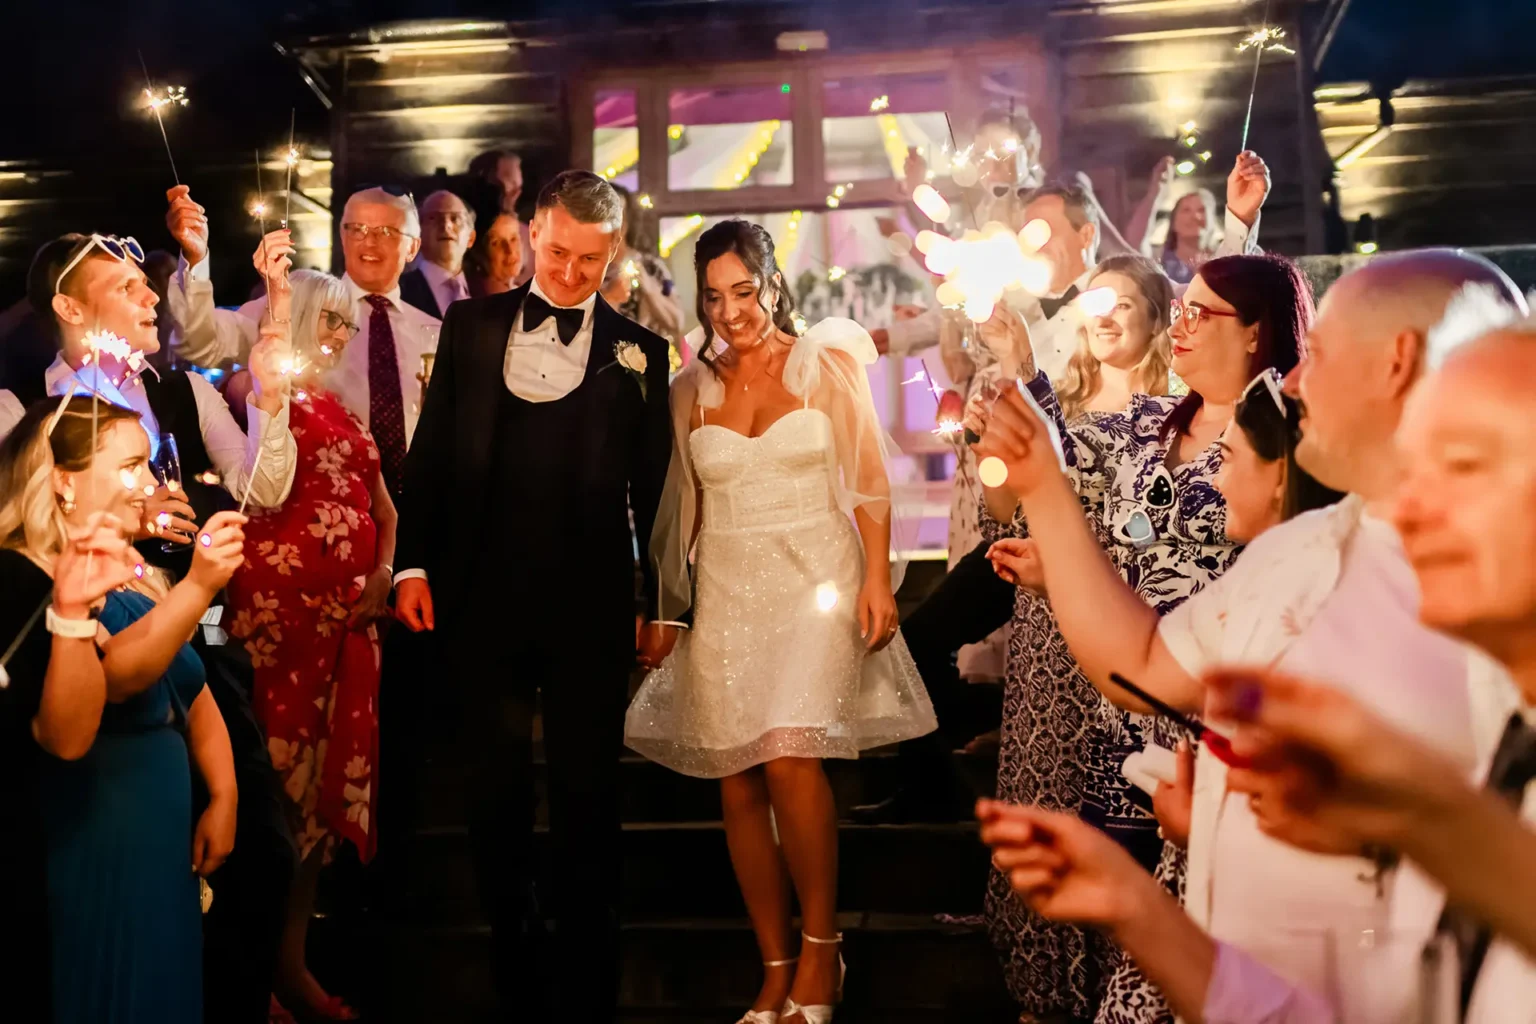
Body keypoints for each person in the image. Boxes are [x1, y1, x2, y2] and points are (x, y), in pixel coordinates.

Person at [976, 249, 1523, 1015]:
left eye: (1319, 352)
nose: (1293, 381)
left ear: (1399, 365)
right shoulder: (1311, 543)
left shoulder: (1482, 617)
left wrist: (1399, 826)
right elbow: (1140, 661)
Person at [852, 157, 1270, 826]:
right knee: (942, 655)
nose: (1032, 246)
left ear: (1086, 234)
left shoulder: (1136, 323)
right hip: (1026, 530)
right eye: (1026, 234)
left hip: (1110, 564)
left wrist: (1240, 222)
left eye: (1045, 231)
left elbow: (1218, 306)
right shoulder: (1033, 317)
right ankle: (950, 778)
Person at [967, 252, 1311, 1021]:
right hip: (1120, 713)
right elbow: (1057, 498)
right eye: (1179, 309)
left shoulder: (1289, 445)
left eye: (1199, 313)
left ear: (1256, 334)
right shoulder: (1145, 422)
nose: (1180, 324)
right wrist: (1056, 569)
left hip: (1213, 719)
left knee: (1204, 942)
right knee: (1116, 935)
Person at [624, 220, 937, 1024]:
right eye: (714, 295)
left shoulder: (823, 362)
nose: (731, 310)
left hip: (816, 579)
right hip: (728, 584)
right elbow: (679, 512)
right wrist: (666, 609)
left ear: (772, 282)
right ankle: (773, 966)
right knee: (737, 775)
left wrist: (876, 577)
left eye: (744, 289)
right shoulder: (687, 390)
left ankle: (823, 954)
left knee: (793, 755)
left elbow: (868, 478)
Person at [392, 169, 672, 1018]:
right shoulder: (471, 327)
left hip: (589, 602)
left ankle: (590, 975)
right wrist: (411, 565)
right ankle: (515, 955)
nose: (572, 273)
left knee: (590, 792)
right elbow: (432, 453)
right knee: (494, 789)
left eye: (590, 259)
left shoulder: (641, 352)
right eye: (557, 253)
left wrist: (658, 600)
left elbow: (657, 491)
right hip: (480, 594)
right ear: (533, 236)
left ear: (612, 250)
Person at [31, 229, 302, 1023]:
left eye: (151, 284)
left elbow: (264, 483)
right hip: (87, 640)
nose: (154, 295)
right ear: (70, 306)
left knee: (259, 845)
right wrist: (123, 512)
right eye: (128, 286)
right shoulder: (27, 400)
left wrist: (271, 398)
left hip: (200, 641)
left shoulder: (182, 390)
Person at [0, 395, 245, 1024]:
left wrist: (224, 789)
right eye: (133, 465)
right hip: (98, 836)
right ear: (63, 482)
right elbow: (112, 686)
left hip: (159, 843)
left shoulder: (136, 569)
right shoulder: (26, 579)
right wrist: (198, 587)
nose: (153, 484)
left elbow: (193, 681)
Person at [223, 258, 392, 1022]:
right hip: (279, 625)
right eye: (330, 318)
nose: (341, 335)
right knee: (280, 796)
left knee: (325, 803)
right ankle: (258, 973)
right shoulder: (263, 393)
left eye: (349, 325)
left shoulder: (346, 408)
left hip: (349, 626)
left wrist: (385, 571)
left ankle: (290, 964)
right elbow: (264, 480)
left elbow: (384, 506)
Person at [165, 184, 442, 501]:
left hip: (416, 503)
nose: (370, 240)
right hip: (292, 513)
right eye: (358, 228)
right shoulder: (292, 305)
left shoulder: (434, 331)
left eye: (387, 231)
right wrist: (196, 258)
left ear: (413, 247)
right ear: (342, 235)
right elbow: (199, 342)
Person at [0, 480, 139, 1024]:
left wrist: (74, 615)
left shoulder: (18, 578)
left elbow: (66, 737)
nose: (148, 483)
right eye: (129, 466)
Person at [609, 183, 684, 344]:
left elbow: (677, 323)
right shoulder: (585, 266)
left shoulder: (650, 267)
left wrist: (649, 289)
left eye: (620, 211)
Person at [400, 188, 475, 319]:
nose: (446, 225)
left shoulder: (486, 292)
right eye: (433, 218)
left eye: (455, 218)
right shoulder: (399, 292)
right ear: (417, 233)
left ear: (471, 238)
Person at [467, 148, 534, 285]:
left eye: (517, 187)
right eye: (502, 185)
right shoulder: (461, 237)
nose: (513, 194)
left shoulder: (530, 237)